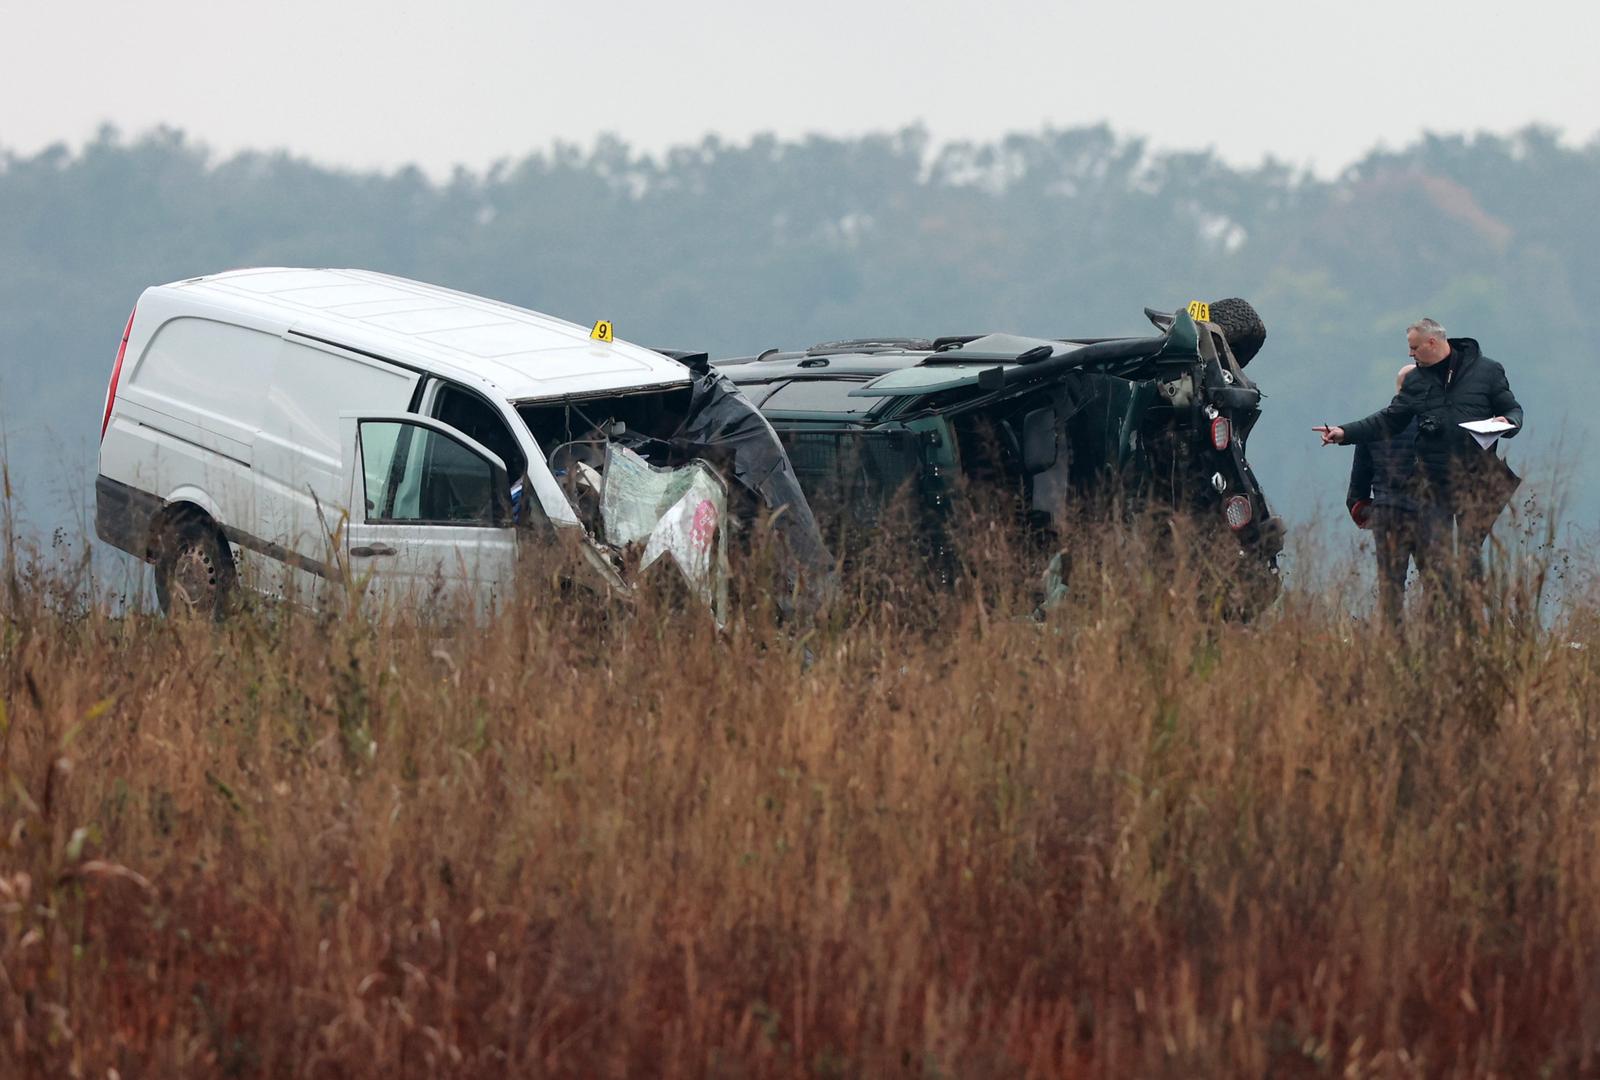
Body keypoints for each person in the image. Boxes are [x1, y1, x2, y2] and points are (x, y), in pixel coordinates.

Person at [1314, 318, 1523, 609]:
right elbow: (1388, 420)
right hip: (1432, 488)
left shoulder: (1488, 371)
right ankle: (1437, 636)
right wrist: (1345, 433)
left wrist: (1509, 422)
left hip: (1476, 481)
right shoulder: (1416, 381)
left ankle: (1471, 633)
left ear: (1432, 343)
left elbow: (1512, 408)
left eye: (1414, 348)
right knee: (1440, 571)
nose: (1410, 354)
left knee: (1467, 559)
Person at [1347, 364, 1419, 626]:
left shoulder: (1372, 427)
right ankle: (1438, 649)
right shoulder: (1439, 426)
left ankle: (1392, 647)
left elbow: (1356, 492)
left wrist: (1370, 516)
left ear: (1398, 389)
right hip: (1430, 516)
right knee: (1438, 588)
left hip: (1387, 516)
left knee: (1390, 591)